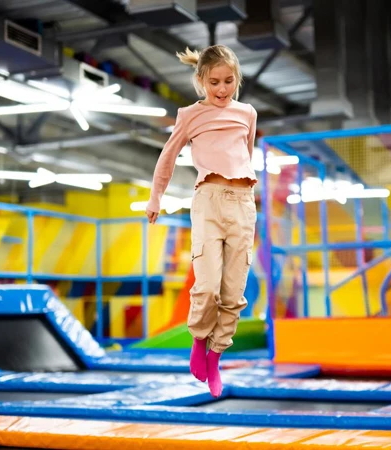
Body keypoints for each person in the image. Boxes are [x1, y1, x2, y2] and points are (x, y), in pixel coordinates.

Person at [146, 44, 258, 398]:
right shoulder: (189, 115)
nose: (222, 89)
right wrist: (155, 197)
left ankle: (216, 357)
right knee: (207, 285)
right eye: (214, 82)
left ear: (237, 80)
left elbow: (246, 154)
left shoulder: (247, 114)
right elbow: (167, 158)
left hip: (242, 202)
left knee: (233, 293)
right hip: (207, 201)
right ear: (201, 81)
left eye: (228, 81)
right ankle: (198, 340)